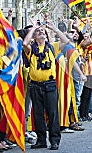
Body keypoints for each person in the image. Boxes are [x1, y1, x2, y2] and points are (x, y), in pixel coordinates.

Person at [23, 20, 70, 150]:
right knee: (38, 114)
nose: (41, 32)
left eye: (43, 31)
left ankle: (54, 140)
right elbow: (25, 43)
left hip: (49, 85)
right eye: (38, 32)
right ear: (34, 37)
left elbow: (66, 41)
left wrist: (54, 28)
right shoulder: (31, 49)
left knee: (52, 113)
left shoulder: (52, 47)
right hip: (35, 86)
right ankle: (41, 140)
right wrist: (33, 28)